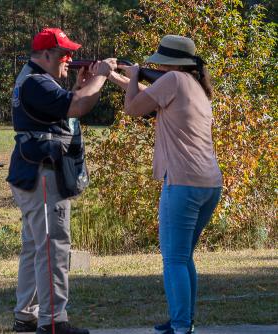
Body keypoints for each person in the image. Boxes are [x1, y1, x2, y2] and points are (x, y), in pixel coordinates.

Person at [109, 35, 223, 334]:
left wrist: (133, 76)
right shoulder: (193, 85)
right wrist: (114, 76)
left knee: (173, 259)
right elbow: (148, 96)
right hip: (209, 183)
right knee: (183, 257)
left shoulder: (171, 79)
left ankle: (182, 326)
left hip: (184, 181)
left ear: (168, 62)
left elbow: (133, 108)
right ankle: (184, 321)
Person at [8, 27, 114, 334]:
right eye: (63, 54)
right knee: (54, 246)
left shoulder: (35, 80)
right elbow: (77, 106)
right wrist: (102, 75)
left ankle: (26, 315)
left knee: (35, 246)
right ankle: (53, 322)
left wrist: (82, 87)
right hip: (43, 173)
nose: (69, 59)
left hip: (35, 170)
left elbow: (71, 106)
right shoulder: (37, 83)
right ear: (44, 55)